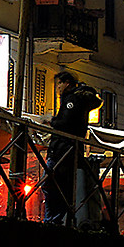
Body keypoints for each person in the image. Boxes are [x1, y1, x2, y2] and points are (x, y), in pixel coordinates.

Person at [46, 69, 100, 227]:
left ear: (66, 83)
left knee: (51, 184)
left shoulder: (71, 100)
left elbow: (66, 124)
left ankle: (52, 221)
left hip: (62, 150)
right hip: (70, 151)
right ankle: (58, 220)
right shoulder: (80, 101)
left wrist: (52, 122)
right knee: (62, 188)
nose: (57, 88)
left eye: (59, 84)